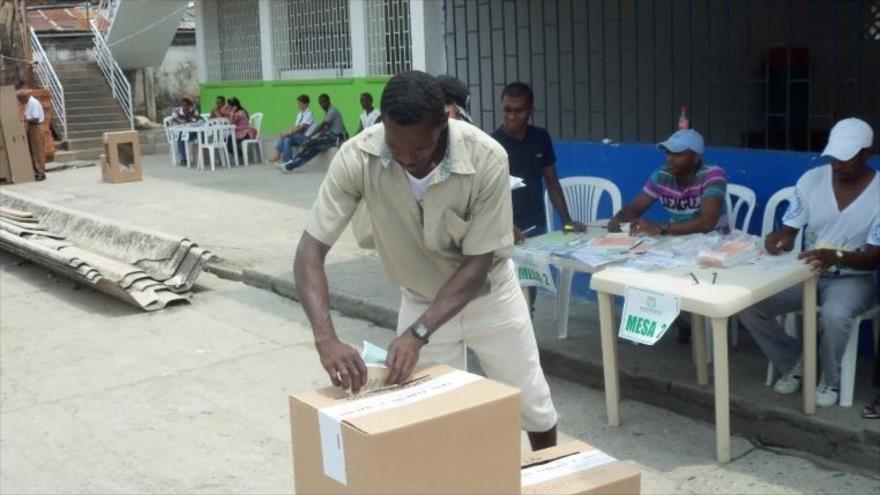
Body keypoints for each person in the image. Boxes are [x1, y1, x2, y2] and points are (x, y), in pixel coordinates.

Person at [293, 70, 558, 450]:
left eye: (419, 147)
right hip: (420, 296)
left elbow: (478, 263)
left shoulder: (486, 157)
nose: (406, 158)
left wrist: (417, 333)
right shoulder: (358, 156)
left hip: (490, 295)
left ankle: (552, 474)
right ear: (383, 124)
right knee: (432, 414)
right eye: (396, 146)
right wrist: (325, 338)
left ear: (444, 124)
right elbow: (310, 250)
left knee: (530, 400)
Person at [739, 117, 880, 408]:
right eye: (833, 158)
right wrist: (778, 240)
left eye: (845, 159)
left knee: (834, 315)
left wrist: (837, 256)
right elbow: (789, 231)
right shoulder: (812, 179)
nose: (837, 166)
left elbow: (873, 258)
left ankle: (830, 378)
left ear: (867, 154)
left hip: (854, 276)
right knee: (750, 305)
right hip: (809, 270)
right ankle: (795, 362)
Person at [490, 82, 586, 313]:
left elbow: (552, 183)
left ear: (530, 111)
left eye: (518, 110)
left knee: (528, 288)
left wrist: (567, 220)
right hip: (503, 229)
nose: (511, 116)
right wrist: (505, 225)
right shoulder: (493, 144)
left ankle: (525, 335)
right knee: (503, 290)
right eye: (507, 110)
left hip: (535, 225)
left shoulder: (540, 138)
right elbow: (487, 195)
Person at [607, 128, 729, 236]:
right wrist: (619, 218)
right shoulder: (662, 175)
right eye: (668, 153)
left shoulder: (712, 174)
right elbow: (635, 208)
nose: (669, 158)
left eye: (677, 154)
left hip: (714, 243)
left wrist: (660, 228)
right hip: (678, 241)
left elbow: (707, 223)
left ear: (695, 158)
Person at [279, 94, 347, 172]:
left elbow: (322, 125)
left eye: (323, 102)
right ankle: (289, 165)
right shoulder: (328, 111)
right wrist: (318, 136)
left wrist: (311, 136)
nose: (322, 105)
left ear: (328, 101)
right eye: (320, 103)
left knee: (308, 143)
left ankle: (289, 164)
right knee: (312, 149)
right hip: (328, 136)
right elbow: (327, 127)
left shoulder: (332, 111)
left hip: (334, 138)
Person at [269, 94, 313, 164]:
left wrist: (288, 133)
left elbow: (301, 128)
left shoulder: (309, 114)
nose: (298, 105)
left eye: (300, 103)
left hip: (305, 138)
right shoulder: (300, 114)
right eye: (298, 103)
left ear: (306, 104)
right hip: (297, 137)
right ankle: (287, 161)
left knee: (287, 136)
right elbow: (295, 126)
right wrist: (285, 132)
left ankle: (277, 154)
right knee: (287, 139)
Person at [16, 90, 46, 181]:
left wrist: (24, 120)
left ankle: (41, 172)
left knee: (37, 151)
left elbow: (36, 119)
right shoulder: (28, 103)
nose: (20, 102)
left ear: (24, 97)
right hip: (32, 127)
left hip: (36, 127)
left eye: (20, 100)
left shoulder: (33, 103)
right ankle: (36, 172)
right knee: (32, 150)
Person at [171, 95, 203, 166]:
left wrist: (191, 115)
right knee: (182, 137)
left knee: (201, 133)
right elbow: (173, 120)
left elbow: (200, 119)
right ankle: (184, 158)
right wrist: (182, 120)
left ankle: (203, 156)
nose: (185, 107)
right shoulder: (177, 111)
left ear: (190, 105)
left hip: (190, 131)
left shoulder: (192, 110)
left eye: (187, 105)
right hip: (178, 132)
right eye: (183, 105)